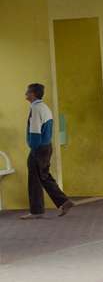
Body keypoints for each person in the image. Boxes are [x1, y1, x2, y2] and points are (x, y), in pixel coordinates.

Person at [20, 83, 74, 219]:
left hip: (38, 148)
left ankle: (37, 211)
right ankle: (63, 202)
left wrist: (33, 147)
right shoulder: (44, 107)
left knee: (36, 178)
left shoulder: (36, 109)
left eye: (27, 92)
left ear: (33, 94)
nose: (26, 94)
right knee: (43, 176)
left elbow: (35, 132)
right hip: (46, 147)